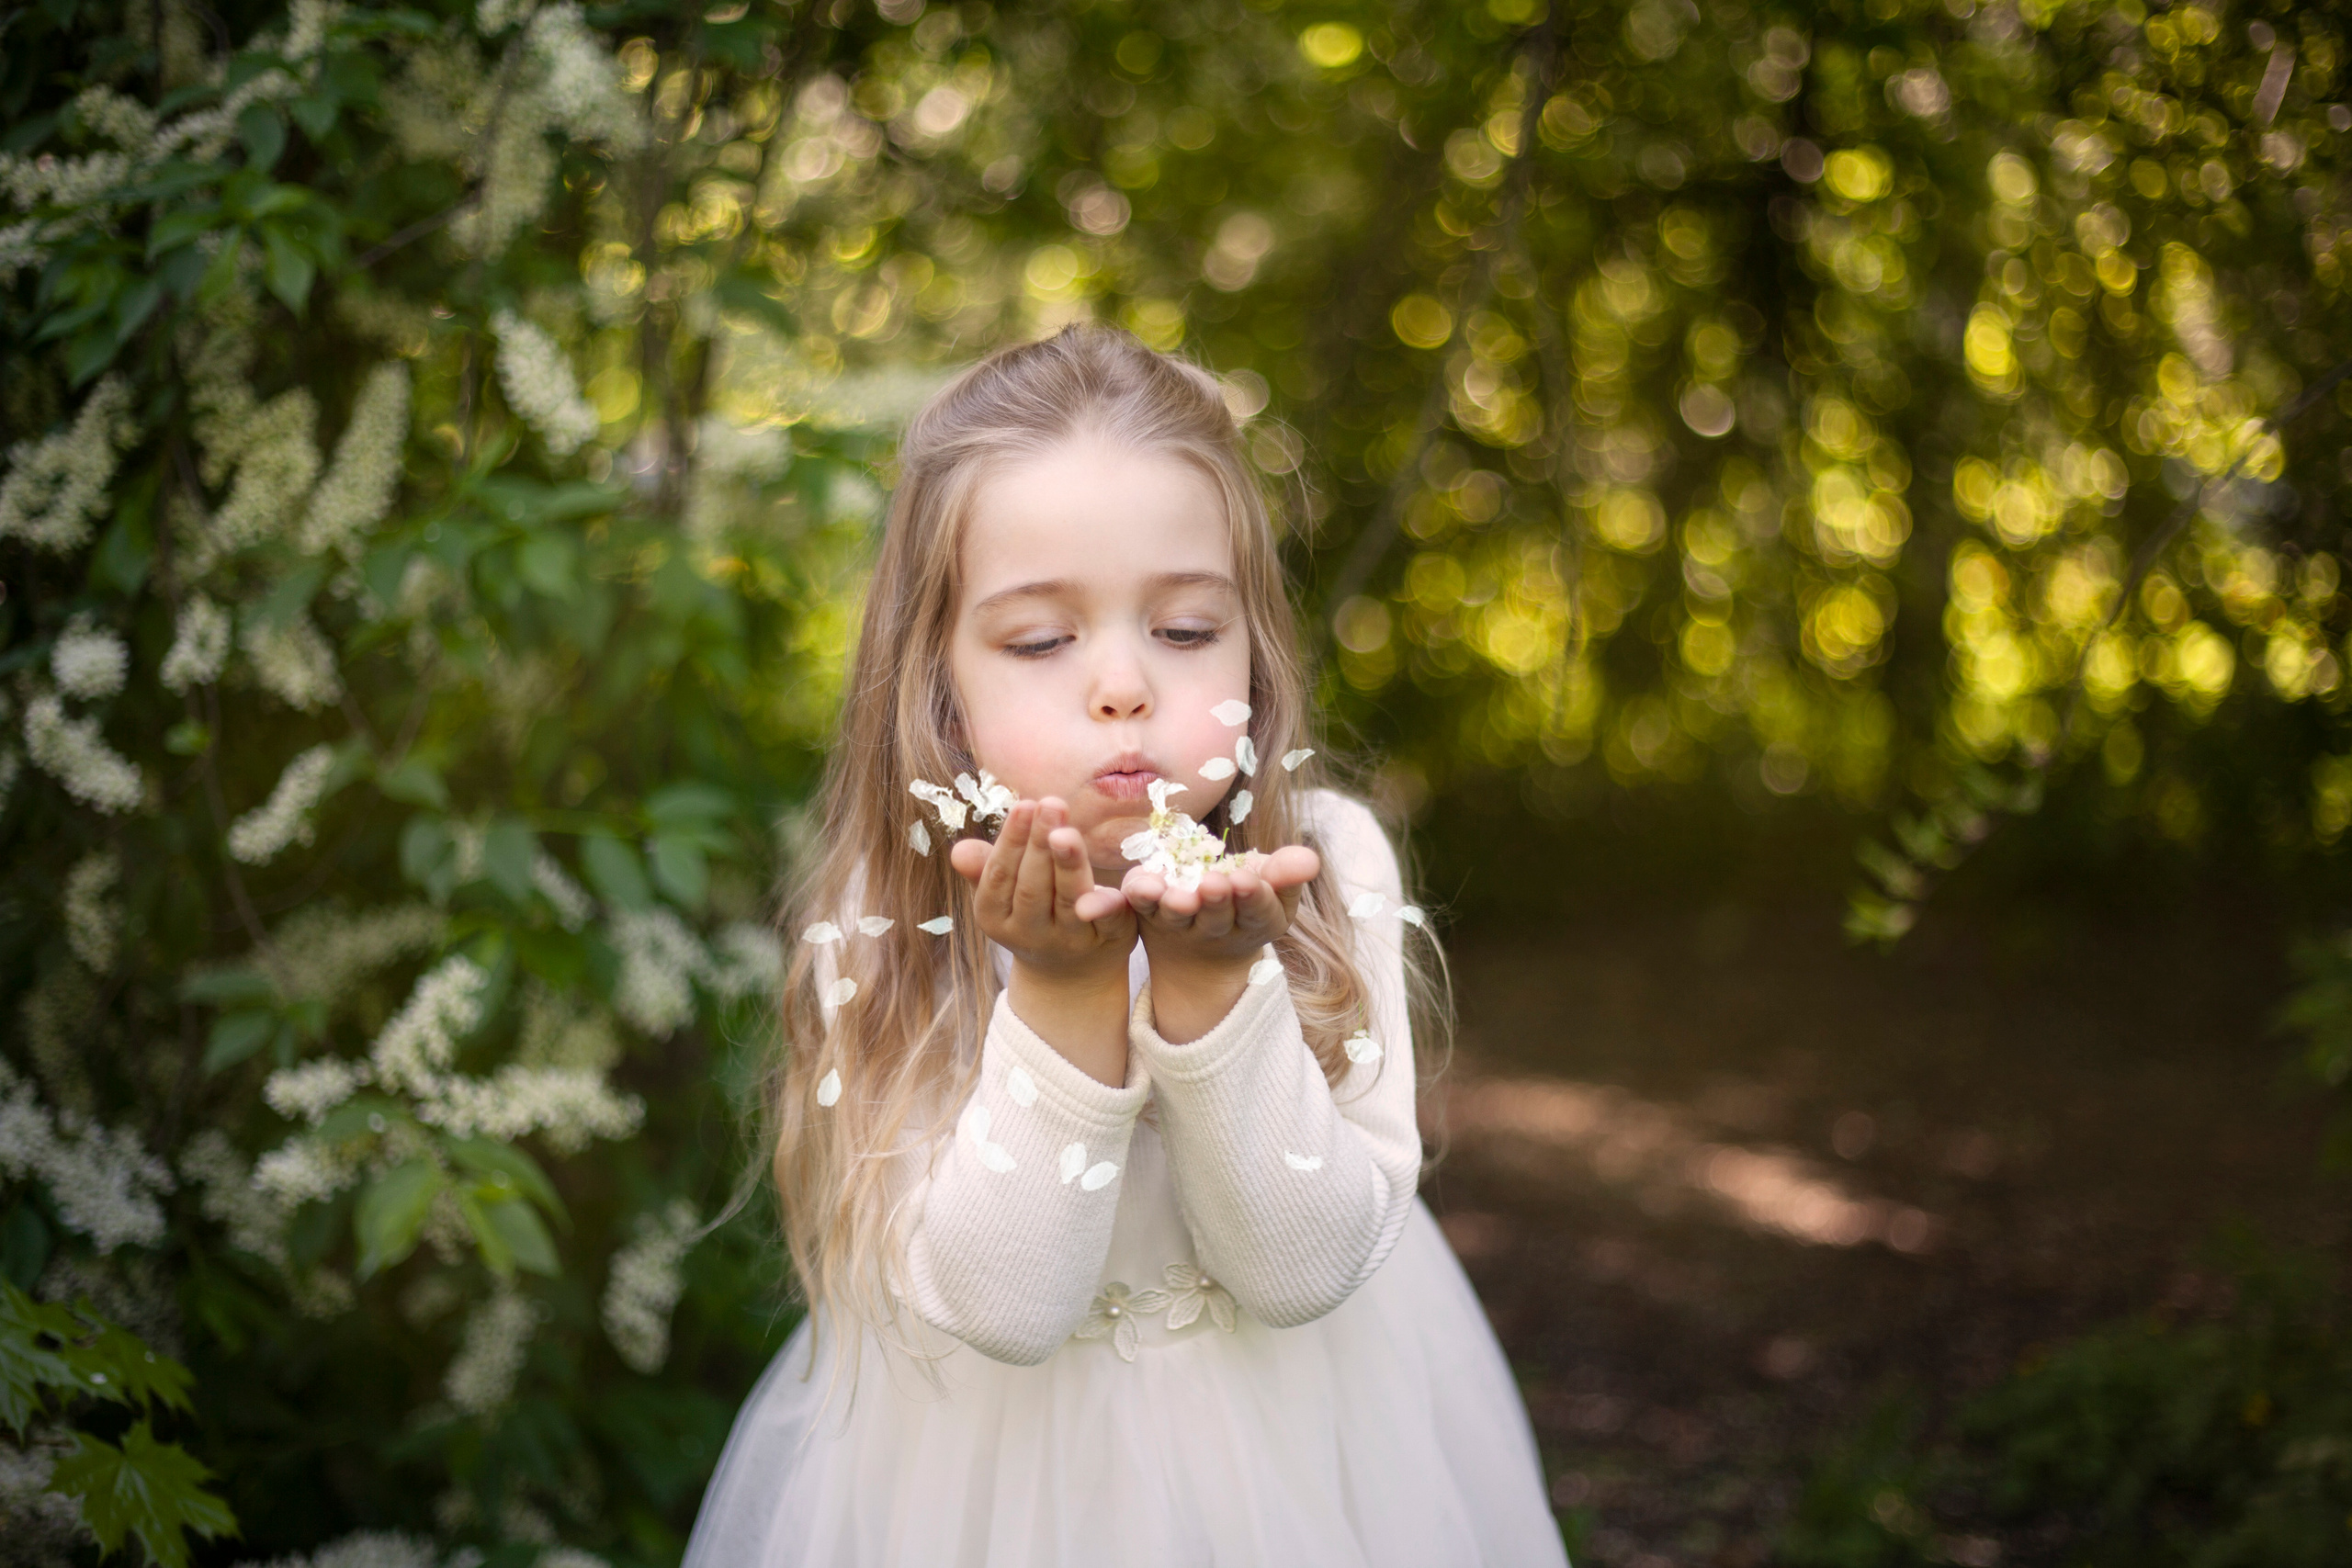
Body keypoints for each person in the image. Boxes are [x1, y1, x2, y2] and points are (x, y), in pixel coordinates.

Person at [684, 326, 1568, 1566]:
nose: (1121, 685)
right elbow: (1006, 1306)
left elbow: (1296, 1270)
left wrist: (1213, 992)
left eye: (1188, 629)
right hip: (985, 1489)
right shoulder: (892, 924)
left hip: (1319, 1453)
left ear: (1255, 646)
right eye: (1042, 641)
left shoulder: (1326, 866)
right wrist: (1059, 995)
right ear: (936, 686)